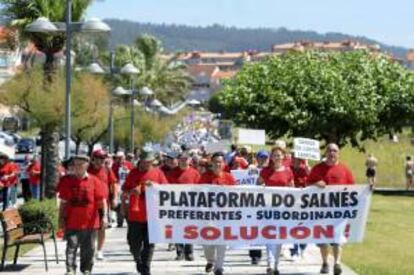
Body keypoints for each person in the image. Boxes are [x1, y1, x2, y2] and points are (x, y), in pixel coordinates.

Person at [307, 143, 355, 275]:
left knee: (337, 238)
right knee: (322, 240)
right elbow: (307, 184)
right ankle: (325, 263)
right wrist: (316, 183)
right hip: (321, 211)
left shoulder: (344, 169)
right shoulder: (317, 168)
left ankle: (337, 264)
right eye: (329, 150)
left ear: (338, 153)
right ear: (325, 153)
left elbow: (353, 189)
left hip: (339, 212)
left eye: (334, 151)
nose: (332, 153)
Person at [58, 155, 106, 275]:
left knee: (88, 250)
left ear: (87, 165)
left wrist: (104, 217)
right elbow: (63, 202)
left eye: (81, 164)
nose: (78, 167)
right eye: (75, 164)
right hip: (72, 221)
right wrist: (60, 219)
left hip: (90, 222)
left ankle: (86, 270)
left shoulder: (94, 181)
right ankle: (70, 269)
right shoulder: (66, 180)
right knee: (71, 247)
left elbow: (101, 201)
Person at [122, 147, 168, 275]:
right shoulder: (132, 173)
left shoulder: (158, 173)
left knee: (150, 243)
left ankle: (146, 267)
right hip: (135, 215)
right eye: (144, 161)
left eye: (149, 161)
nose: (146, 164)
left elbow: (166, 191)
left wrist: (155, 190)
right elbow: (124, 191)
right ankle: (138, 259)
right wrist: (132, 192)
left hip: (152, 216)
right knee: (133, 243)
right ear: (140, 161)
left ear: (152, 161)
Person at [199, 152, 236, 275]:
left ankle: (219, 268)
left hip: (224, 215)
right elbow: (198, 195)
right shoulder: (204, 177)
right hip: (208, 215)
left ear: (224, 163)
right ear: (212, 163)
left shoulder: (229, 178)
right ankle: (210, 260)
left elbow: (235, 195)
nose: (218, 164)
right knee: (207, 242)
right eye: (216, 162)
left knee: (222, 242)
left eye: (220, 162)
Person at [258, 146, 294, 275]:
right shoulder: (265, 171)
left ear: (283, 156)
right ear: (271, 157)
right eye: (275, 155)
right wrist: (262, 187)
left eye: (279, 155)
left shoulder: (288, 171)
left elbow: (292, 189)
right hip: (268, 208)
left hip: (283, 210)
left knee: (279, 237)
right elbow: (257, 186)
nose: (277, 157)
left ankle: (276, 264)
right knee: (269, 235)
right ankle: (270, 263)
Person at [170, 152, 201, 261]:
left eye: (186, 159)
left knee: (190, 229)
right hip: (176, 206)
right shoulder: (172, 173)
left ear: (190, 161)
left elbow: (199, 189)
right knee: (177, 229)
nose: (183, 161)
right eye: (181, 159)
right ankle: (180, 252)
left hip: (190, 206)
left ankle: (189, 252)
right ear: (178, 160)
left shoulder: (195, 173)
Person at [87, 149, 117, 261]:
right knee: (89, 228)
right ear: (93, 159)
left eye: (103, 159)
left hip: (103, 204)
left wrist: (114, 198)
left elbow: (113, 184)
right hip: (89, 204)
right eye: (98, 158)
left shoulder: (107, 170)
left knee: (102, 227)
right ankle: (89, 249)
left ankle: (99, 250)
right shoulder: (87, 170)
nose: (100, 161)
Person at [248, 150, 269, 265]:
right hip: (254, 203)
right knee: (255, 228)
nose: (264, 160)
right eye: (261, 157)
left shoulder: (271, 170)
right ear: (257, 158)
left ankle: (272, 254)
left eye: (265, 158)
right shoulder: (251, 170)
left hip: (269, 204)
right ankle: (255, 255)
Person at [290, 155, 311, 258]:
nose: (295, 161)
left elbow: (312, 178)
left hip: (304, 202)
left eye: (298, 159)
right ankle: (294, 250)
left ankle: (302, 247)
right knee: (293, 225)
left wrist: (307, 166)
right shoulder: (288, 169)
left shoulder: (305, 169)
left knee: (303, 225)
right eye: (293, 158)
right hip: (291, 202)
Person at [112, 151, 134, 227]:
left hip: (127, 188)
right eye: (118, 158)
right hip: (118, 187)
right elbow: (113, 177)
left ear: (124, 157)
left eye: (121, 158)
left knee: (127, 203)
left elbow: (132, 174)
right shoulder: (114, 166)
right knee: (119, 204)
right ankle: (120, 220)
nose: (119, 160)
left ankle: (128, 219)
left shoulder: (129, 165)